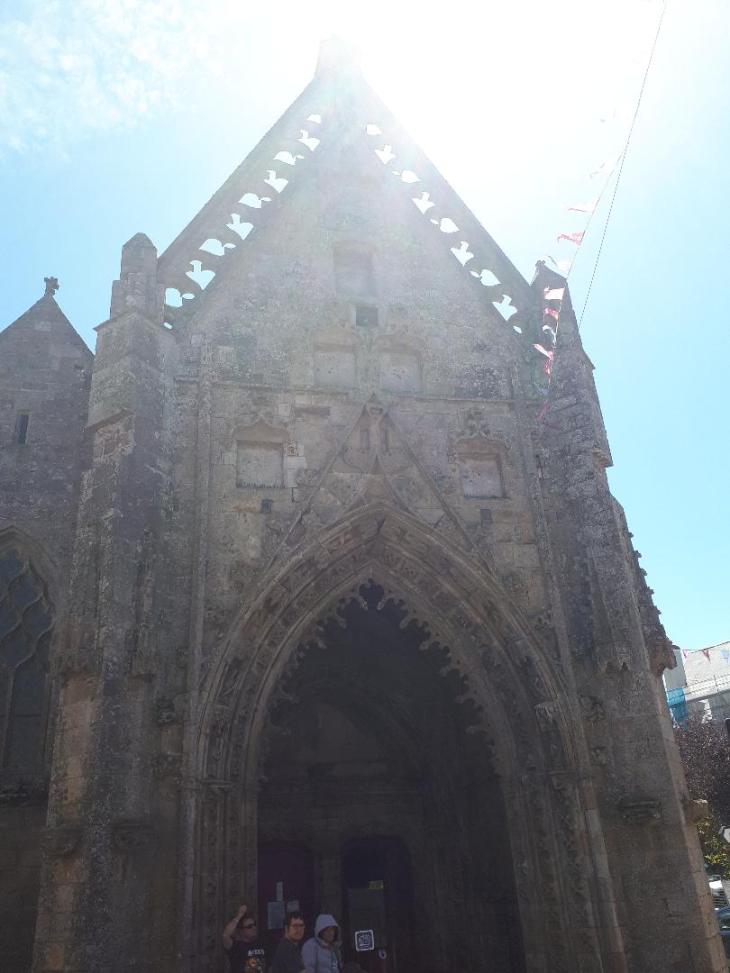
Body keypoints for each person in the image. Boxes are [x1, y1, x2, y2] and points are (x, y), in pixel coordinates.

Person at [222, 904, 268, 973]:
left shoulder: (261, 943)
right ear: (241, 930)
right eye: (249, 926)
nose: (254, 928)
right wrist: (239, 916)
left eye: (254, 925)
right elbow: (225, 935)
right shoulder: (236, 946)